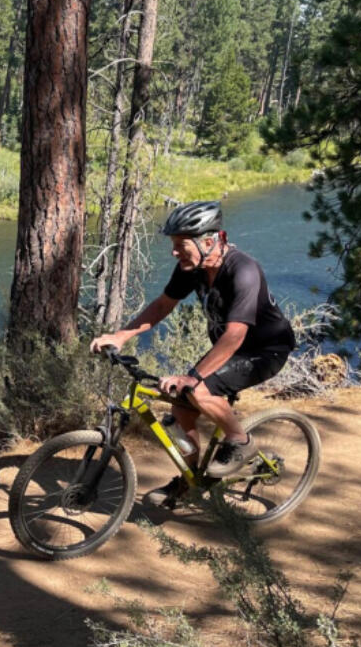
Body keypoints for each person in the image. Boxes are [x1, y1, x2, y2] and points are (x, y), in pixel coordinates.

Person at [90, 200, 296, 505]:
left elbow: (236, 334)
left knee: (197, 392)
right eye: (174, 245)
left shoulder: (244, 271)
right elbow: (162, 305)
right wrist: (121, 335)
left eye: (180, 245)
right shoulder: (192, 267)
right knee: (181, 409)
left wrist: (194, 377)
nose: (174, 252)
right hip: (228, 348)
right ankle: (191, 479)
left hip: (266, 350)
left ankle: (240, 441)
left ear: (209, 241)